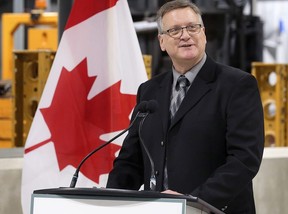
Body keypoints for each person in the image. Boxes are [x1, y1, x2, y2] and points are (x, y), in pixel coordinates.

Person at [106, 0, 264, 213]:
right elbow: (131, 161)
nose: (185, 35)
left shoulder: (237, 85)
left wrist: (195, 201)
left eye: (192, 27)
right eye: (174, 30)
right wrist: (110, 201)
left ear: (204, 34)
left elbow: (245, 159)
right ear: (162, 41)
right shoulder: (149, 90)